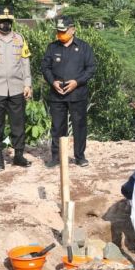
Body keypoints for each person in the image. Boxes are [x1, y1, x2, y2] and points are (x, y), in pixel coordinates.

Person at [0, 5, 32, 171]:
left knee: (18, 123)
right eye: (2, 21)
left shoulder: (19, 38)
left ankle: (18, 155)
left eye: (8, 21)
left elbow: (25, 63)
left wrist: (28, 84)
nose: (5, 24)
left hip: (17, 88)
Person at [41, 15, 96, 167]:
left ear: (73, 30)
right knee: (58, 127)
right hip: (57, 95)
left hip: (77, 94)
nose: (60, 34)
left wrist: (77, 82)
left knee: (79, 126)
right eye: (58, 31)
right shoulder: (52, 47)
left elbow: (91, 68)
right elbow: (45, 67)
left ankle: (80, 156)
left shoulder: (84, 47)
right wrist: (53, 82)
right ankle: (56, 157)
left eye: (63, 31)